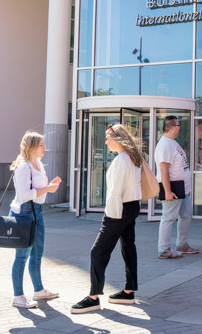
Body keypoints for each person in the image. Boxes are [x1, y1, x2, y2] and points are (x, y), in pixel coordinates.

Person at [71, 124, 143, 313]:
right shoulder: (134, 158)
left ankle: (93, 297)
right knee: (128, 247)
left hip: (119, 209)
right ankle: (129, 291)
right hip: (132, 206)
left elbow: (115, 192)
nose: (105, 142)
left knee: (98, 251)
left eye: (108, 138)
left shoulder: (121, 160)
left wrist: (109, 216)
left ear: (117, 140)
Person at [8, 131, 62, 309]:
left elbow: (38, 188)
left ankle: (38, 290)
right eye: (41, 145)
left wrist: (50, 186)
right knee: (22, 256)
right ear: (31, 146)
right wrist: (47, 189)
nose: (45, 148)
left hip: (37, 210)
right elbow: (24, 195)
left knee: (38, 252)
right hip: (24, 212)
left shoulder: (38, 163)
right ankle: (18, 297)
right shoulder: (24, 166)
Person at [155, 115, 198, 259]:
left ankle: (182, 245)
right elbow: (163, 169)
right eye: (178, 125)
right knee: (168, 218)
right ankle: (163, 250)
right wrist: (168, 191)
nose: (180, 127)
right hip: (173, 189)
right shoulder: (165, 144)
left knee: (186, 214)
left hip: (182, 189)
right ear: (173, 127)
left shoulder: (172, 143)